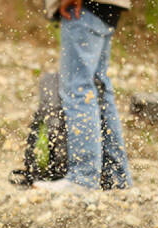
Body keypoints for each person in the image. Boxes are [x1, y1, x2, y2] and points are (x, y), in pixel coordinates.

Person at [35, 0, 133, 193]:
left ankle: (83, 178)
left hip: (84, 6)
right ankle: (116, 177)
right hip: (108, 5)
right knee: (100, 89)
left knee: (77, 88)